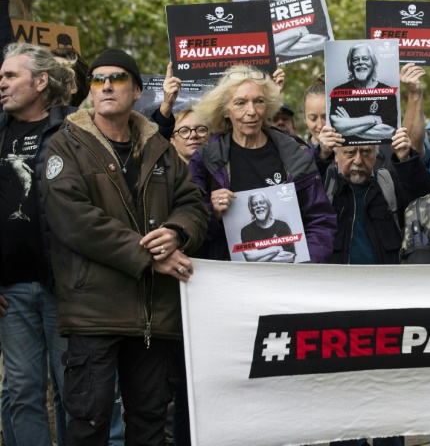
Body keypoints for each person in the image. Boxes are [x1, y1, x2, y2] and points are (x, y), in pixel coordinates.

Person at [41, 47, 208, 445]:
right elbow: (73, 220)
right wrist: (149, 256)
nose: (106, 86)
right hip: (94, 312)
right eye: (98, 79)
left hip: (155, 314)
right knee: (89, 424)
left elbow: (193, 205)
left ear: (136, 91)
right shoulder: (66, 144)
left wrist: (177, 232)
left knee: (150, 425)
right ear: (90, 91)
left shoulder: (159, 147)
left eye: (117, 78)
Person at [0, 43, 76, 446]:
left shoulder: (75, 129)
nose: (2, 83)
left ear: (41, 81)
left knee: (75, 393)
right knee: (22, 394)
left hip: (63, 286)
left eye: (11, 75)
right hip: (9, 292)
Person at [188, 65, 336, 263]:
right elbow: (190, 224)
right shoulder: (205, 159)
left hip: (291, 275)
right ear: (225, 110)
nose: (252, 111)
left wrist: (307, 266)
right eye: (240, 103)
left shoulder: (295, 154)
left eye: (259, 101)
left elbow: (320, 221)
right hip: (230, 276)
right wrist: (212, 212)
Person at [319, 126, 430, 265]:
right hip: (335, 277)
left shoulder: (389, 184)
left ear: (375, 155)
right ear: (336, 156)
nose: (358, 160)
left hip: (385, 277)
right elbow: (300, 193)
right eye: (349, 152)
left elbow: (426, 197)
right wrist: (321, 155)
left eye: (366, 152)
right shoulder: (323, 185)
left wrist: (406, 159)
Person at [328, 43, 398, 143]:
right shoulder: (338, 92)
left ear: (373, 63)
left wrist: (347, 125)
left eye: (365, 58)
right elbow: (337, 126)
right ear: (350, 65)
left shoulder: (388, 92)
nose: (360, 62)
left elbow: (389, 132)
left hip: (378, 151)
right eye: (355, 60)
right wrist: (372, 119)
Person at [240, 191, 296, 262]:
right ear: (251, 209)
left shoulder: (283, 226)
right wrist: (274, 249)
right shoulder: (246, 231)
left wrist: (258, 256)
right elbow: (249, 257)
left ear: (268, 206)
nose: (258, 206)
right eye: (254, 204)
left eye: (262, 202)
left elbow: (291, 257)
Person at [302, 74, 327, 148]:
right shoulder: (299, 151)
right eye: (313, 118)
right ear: (305, 118)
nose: (320, 125)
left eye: (325, 118)